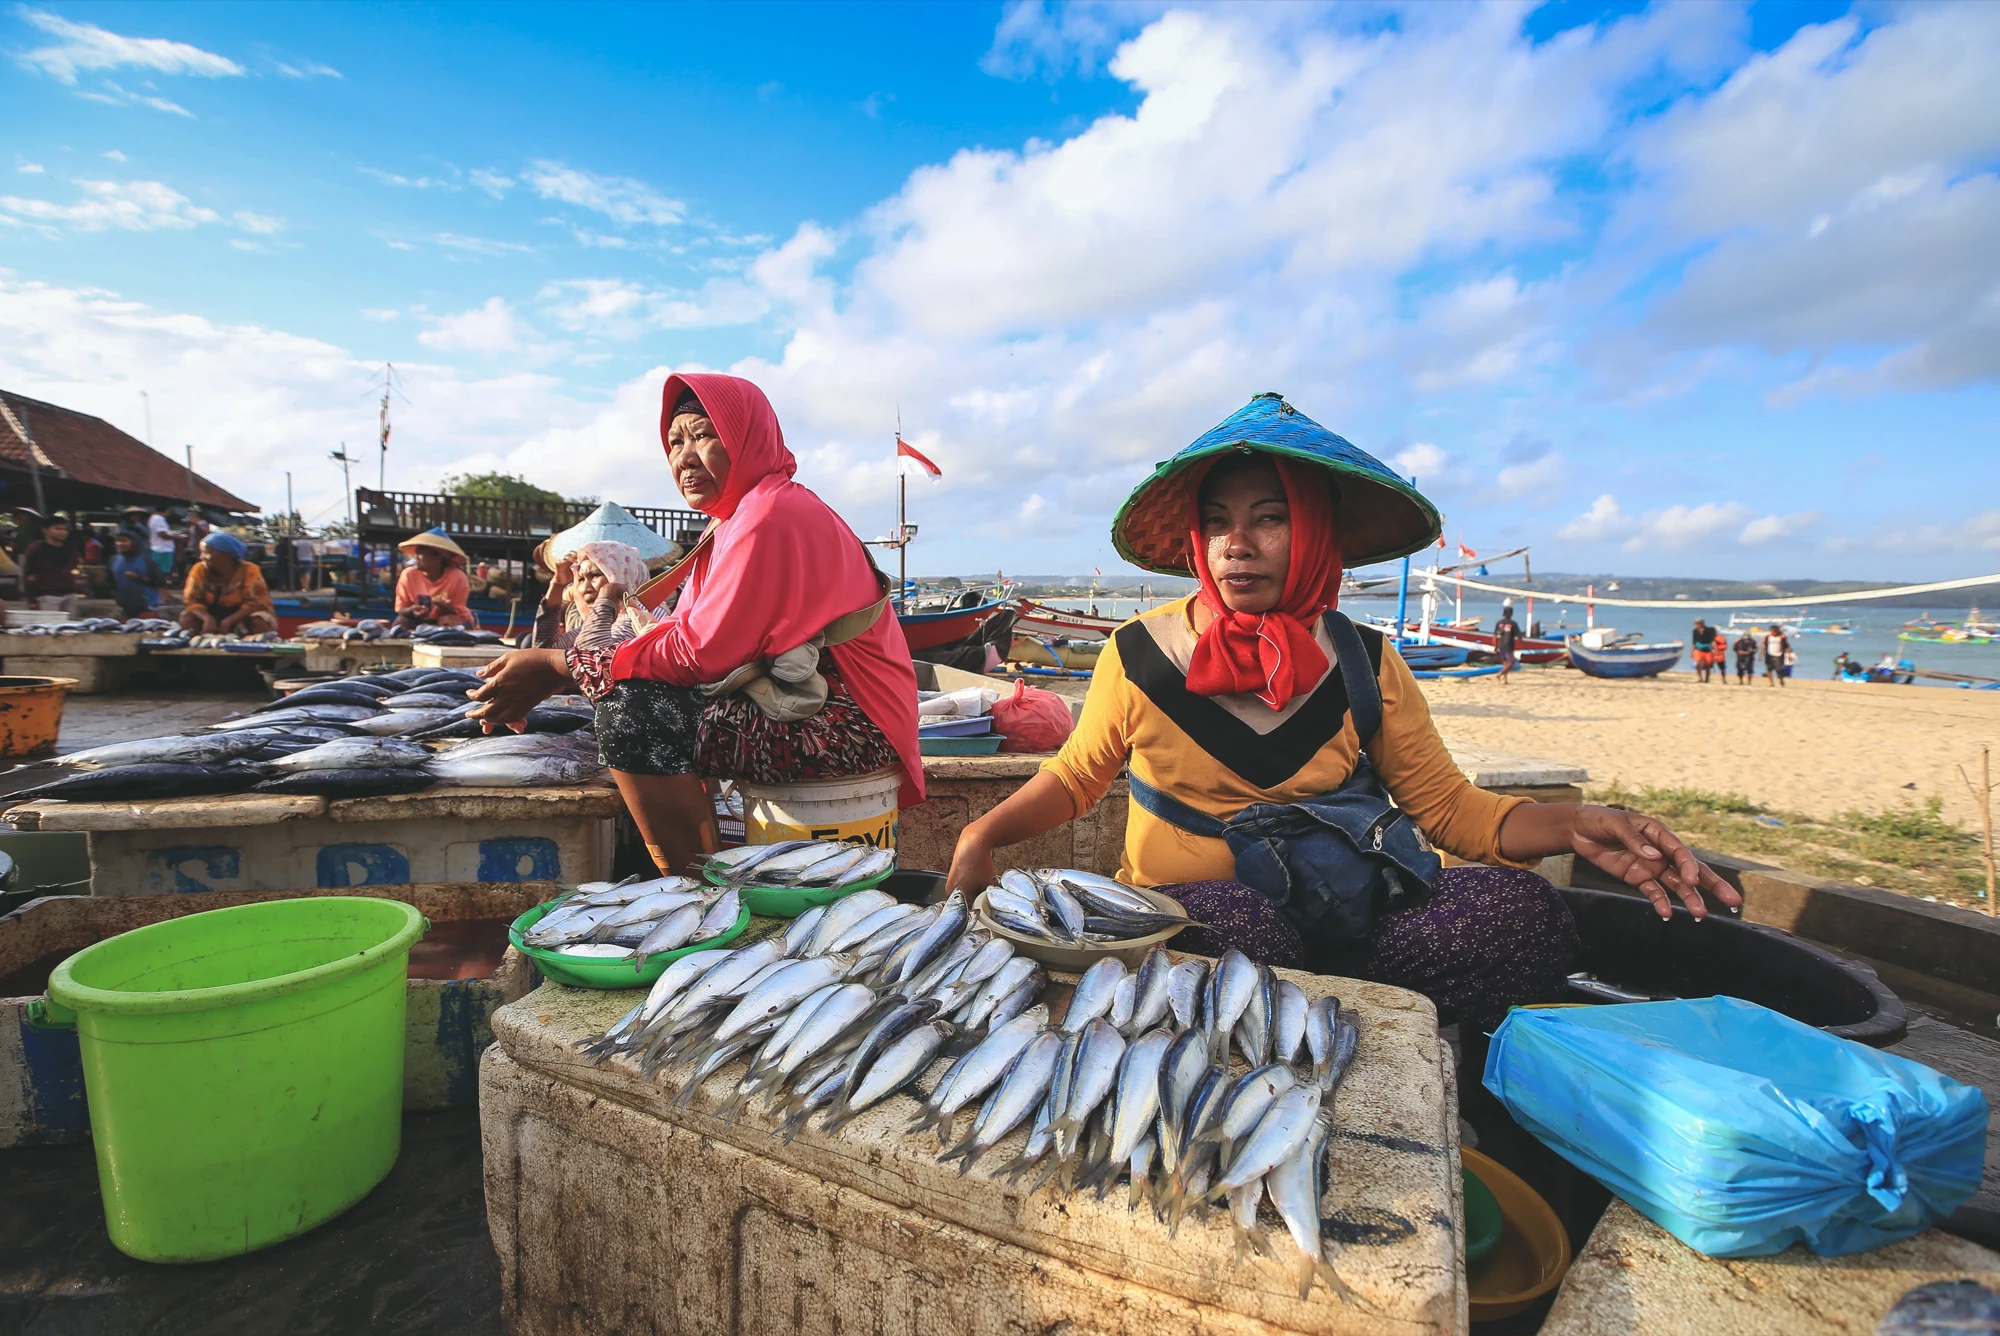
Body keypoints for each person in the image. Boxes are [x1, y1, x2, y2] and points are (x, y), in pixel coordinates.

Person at [943, 393, 1737, 1031]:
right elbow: (1078, 776)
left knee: (1521, 912)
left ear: (1316, 532)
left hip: (1355, 919)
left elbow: (1453, 812)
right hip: (1210, 928)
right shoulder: (1139, 653)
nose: (1236, 544)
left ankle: (1384, 1040)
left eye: (1269, 517)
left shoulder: (1366, 658)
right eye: (1217, 522)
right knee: (1234, 931)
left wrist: (1576, 825)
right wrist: (983, 835)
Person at [468, 373, 922, 877]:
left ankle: (695, 886)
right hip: (810, 704)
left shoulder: (768, 514)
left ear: (749, 437)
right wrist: (570, 664)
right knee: (632, 692)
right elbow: (684, 631)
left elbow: (697, 655)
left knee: (633, 715)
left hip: (850, 725)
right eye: (674, 442)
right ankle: (705, 864)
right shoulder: (734, 519)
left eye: (703, 434)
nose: (683, 457)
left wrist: (557, 666)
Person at [180, 531, 278, 635]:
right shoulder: (199, 569)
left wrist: (229, 621)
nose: (201, 557)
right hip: (211, 614)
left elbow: (257, 603)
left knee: (260, 622)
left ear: (227, 555)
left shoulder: (250, 570)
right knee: (187, 617)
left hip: (243, 616)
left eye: (207, 553)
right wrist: (207, 618)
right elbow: (191, 599)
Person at [393, 529, 473, 631]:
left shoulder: (457, 577)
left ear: (437, 557)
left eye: (420, 554)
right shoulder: (408, 575)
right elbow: (401, 609)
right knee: (400, 622)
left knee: (446, 621)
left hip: (450, 620)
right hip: (418, 621)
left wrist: (444, 607)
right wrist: (412, 610)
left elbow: (457, 611)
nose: (416, 557)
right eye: (416, 554)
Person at [20, 516, 81, 615]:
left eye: (64, 529)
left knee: (71, 626)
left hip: (70, 593)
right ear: (45, 530)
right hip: (47, 595)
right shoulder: (36, 548)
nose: (62, 532)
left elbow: (73, 568)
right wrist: (31, 600)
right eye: (57, 529)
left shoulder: (71, 549)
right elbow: (28, 574)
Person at [108, 530, 160, 617]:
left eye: (124, 541)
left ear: (134, 542)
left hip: (146, 607)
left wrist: (138, 579)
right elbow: (109, 581)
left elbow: (159, 581)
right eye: (118, 540)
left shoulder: (146, 561)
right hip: (125, 607)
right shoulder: (114, 560)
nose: (120, 544)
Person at [1491, 602, 1521, 683]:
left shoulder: (1499, 623)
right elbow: (1519, 636)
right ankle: (1499, 675)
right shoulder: (1513, 623)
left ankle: (1505, 680)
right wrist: (1524, 644)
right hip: (1509, 645)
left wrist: (1495, 646)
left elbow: (1494, 636)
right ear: (1511, 614)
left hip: (1501, 645)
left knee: (1506, 663)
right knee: (1511, 663)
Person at [146, 506, 176, 581]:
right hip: (163, 549)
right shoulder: (159, 518)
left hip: (156, 548)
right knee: (164, 572)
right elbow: (162, 534)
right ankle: (163, 588)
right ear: (166, 510)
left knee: (157, 571)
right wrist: (177, 537)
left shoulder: (152, 518)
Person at [1690, 618, 1722, 684]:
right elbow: (1694, 642)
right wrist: (1692, 651)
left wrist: (1715, 650)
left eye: (1697, 624)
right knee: (1698, 663)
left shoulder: (1710, 630)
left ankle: (1707, 679)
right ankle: (1700, 678)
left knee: (1708, 665)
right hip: (1699, 649)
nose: (1696, 625)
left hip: (1708, 649)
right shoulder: (1695, 631)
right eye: (1695, 624)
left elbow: (1712, 641)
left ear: (1701, 624)